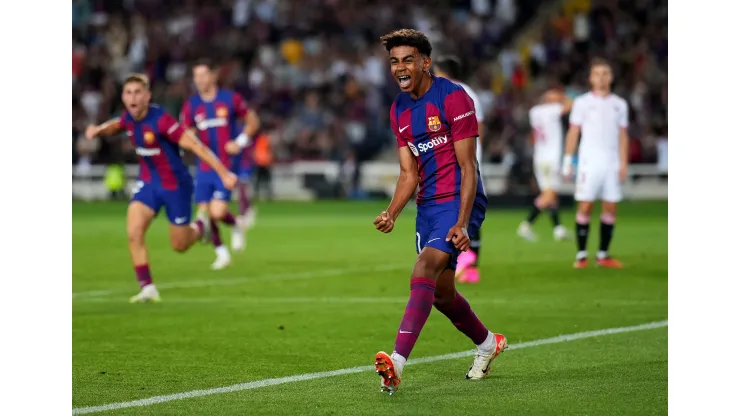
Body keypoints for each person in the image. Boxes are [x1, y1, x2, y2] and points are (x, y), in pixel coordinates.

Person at [372, 29, 507, 395]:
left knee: (424, 268)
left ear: (425, 62)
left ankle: (396, 363)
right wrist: (392, 212)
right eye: (394, 61)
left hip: (459, 198)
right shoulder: (398, 109)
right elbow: (407, 173)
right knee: (442, 294)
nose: (400, 67)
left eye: (408, 60)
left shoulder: (453, 97)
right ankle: (487, 344)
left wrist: (464, 223)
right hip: (427, 205)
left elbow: (468, 167)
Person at [85, 74, 237, 302]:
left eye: (138, 92)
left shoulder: (163, 121)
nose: (132, 97)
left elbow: (197, 146)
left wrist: (224, 173)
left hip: (176, 187)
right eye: (128, 93)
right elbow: (116, 125)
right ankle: (147, 287)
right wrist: (97, 130)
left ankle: (201, 227)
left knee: (180, 245)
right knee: (134, 232)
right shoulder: (128, 118)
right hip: (148, 184)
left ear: (147, 96)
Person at [180, 59, 260, 269]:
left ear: (213, 76)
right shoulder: (192, 105)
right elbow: (184, 132)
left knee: (216, 212)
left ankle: (235, 225)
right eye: (196, 76)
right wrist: (188, 136)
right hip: (204, 166)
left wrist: (239, 142)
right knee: (205, 212)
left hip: (226, 166)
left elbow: (253, 121)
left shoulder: (230, 99)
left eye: (203, 75)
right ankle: (221, 252)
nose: (199, 80)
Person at [562, 58, 629, 268]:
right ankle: (581, 255)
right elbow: (574, 132)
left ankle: (603, 255)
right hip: (589, 163)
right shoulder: (582, 103)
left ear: (611, 77)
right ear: (591, 78)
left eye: (605, 73)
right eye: (597, 73)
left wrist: (623, 162)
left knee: (610, 207)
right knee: (586, 205)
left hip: (611, 162)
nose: (601, 77)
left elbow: (623, 135)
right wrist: (567, 160)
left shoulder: (620, 104)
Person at [432, 55, 485, 284]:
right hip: (471, 155)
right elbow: (479, 127)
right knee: (467, 210)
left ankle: (463, 262)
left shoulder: (446, 92)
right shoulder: (470, 92)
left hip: (454, 158)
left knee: (453, 210)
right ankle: (469, 264)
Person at [517, 88, 572, 241]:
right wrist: (563, 95)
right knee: (549, 195)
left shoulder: (534, 111)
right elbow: (570, 105)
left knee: (550, 194)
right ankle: (526, 225)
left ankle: (558, 229)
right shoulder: (552, 110)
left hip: (540, 157)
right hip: (551, 158)